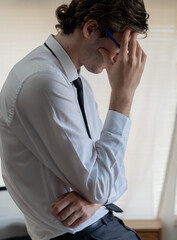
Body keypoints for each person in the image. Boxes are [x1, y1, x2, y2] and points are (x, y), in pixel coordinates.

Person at [0, 0, 149, 239]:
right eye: (119, 50)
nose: (118, 61)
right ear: (90, 29)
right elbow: (102, 184)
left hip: (98, 222)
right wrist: (123, 96)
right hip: (77, 234)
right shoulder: (44, 82)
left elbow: (116, 177)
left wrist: (95, 202)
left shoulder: (75, 83)